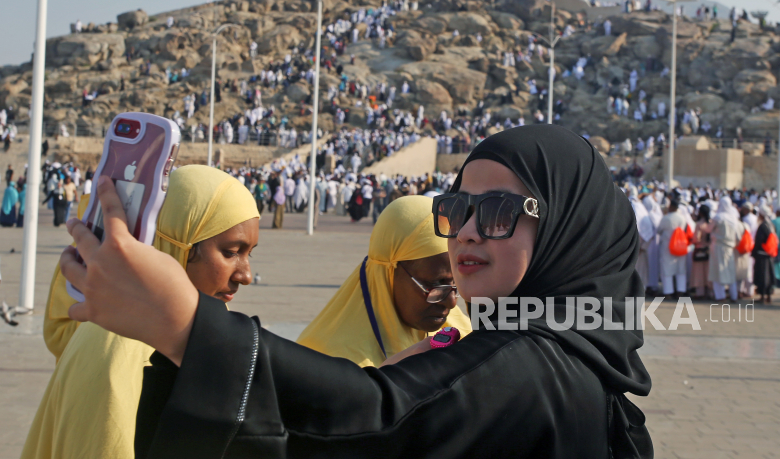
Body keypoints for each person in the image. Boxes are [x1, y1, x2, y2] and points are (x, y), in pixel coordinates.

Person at [59, 125, 653, 458]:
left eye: (498, 210)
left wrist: (184, 325)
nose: (468, 230)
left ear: (568, 227)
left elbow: (369, 418)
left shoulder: (530, 365)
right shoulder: (556, 352)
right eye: (457, 208)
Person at [21, 165, 260, 459]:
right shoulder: (119, 347)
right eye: (231, 252)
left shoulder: (188, 339)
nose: (246, 275)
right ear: (176, 244)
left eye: (250, 253)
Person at [297, 196, 471, 367]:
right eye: (435, 285)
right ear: (388, 272)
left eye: (455, 284)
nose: (452, 302)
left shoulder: (463, 334)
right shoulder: (327, 364)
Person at [710, 197, 743, 302]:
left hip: (719, 247)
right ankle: (734, 296)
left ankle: (720, 296)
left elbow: (708, 229)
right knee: (730, 272)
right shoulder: (734, 219)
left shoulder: (718, 217)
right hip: (730, 248)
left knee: (718, 272)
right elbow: (739, 236)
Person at [657, 198, 689, 297]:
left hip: (668, 246)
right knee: (681, 269)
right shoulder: (682, 218)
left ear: (672, 207)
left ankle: (668, 292)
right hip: (681, 245)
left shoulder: (666, 218)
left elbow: (659, 230)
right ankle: (680, 290)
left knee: (667, 269)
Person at [752, 205, 776, 304]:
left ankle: (762, 296)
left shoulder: (762, 226)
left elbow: (759, 240)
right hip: (769, 254)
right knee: (769, 275)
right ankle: (768, 296)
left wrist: (754, 252)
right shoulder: (771, 225)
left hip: (762, 255)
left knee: (762, 276)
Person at [690, 204, 712, 298]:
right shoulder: (711, 223)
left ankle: (700, 292)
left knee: (699, 272)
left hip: (700, 250)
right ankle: (710, 291)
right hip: (709, 250)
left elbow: (696, 239)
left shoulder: (699, 224)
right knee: (708, 271)